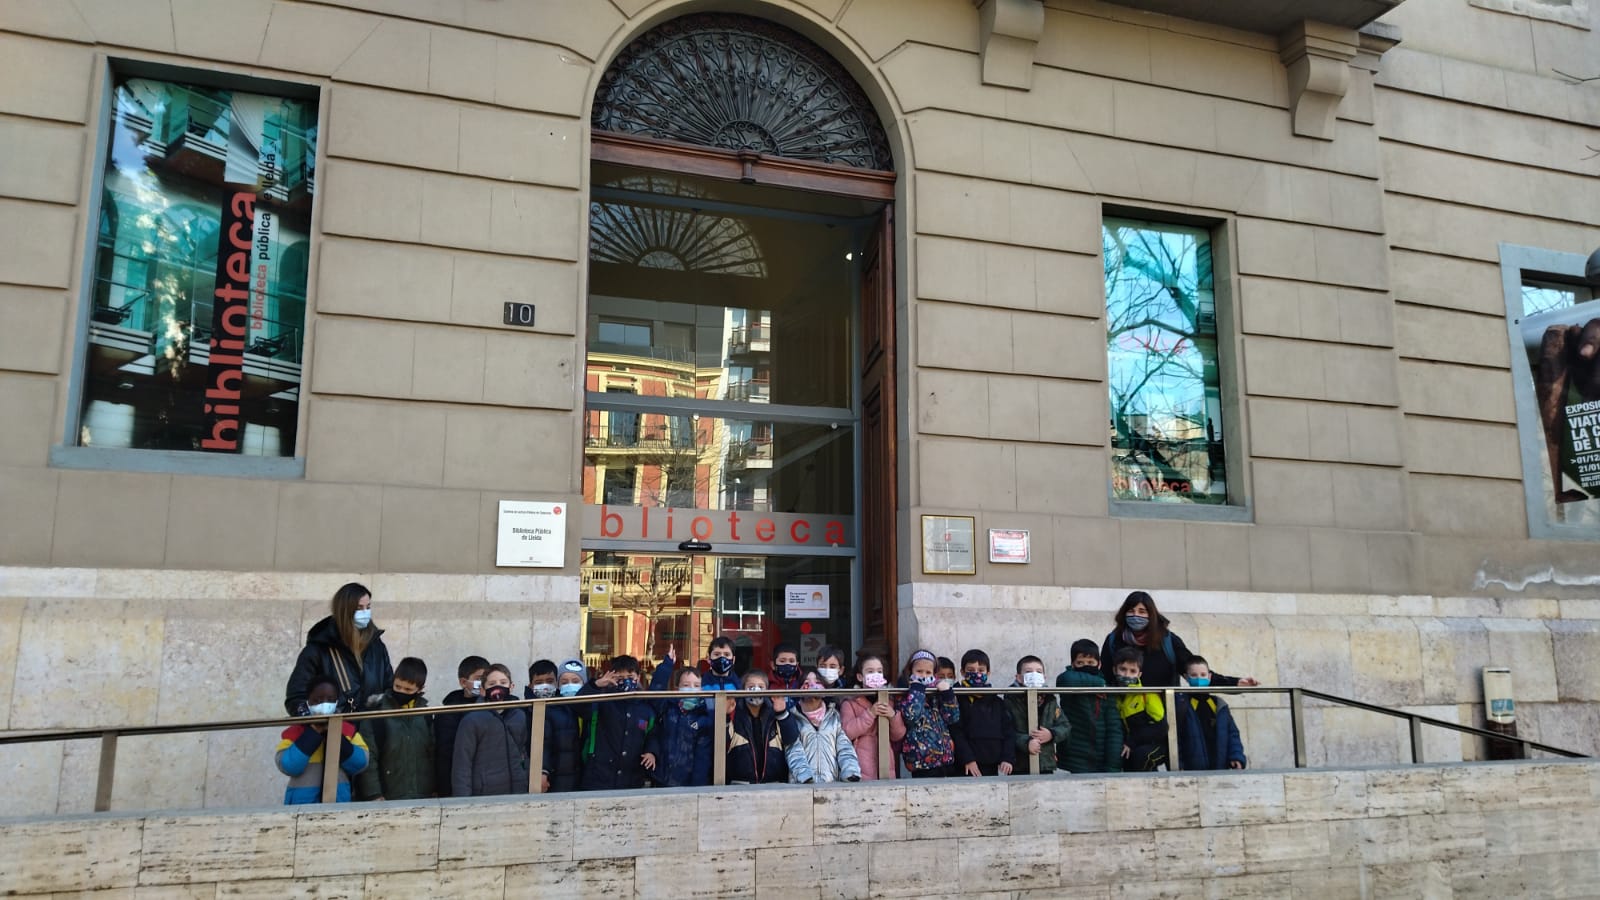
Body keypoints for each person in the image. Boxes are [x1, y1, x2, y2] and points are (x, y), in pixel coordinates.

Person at [1099, 591, 1258, 690]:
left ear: (1151, 615)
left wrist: (1235, 683)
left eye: (1142, 611)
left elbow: (1194, 669)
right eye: (1131, 610)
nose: (1136, 615)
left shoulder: (1167, 640)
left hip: (1163, 716)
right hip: (1122, 715)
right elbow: (1104, 677)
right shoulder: (1114, 640)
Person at [284, 582, 393, 716]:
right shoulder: (318, 649)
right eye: (359, 608)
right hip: (335, 727)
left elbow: (389, 687)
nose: (365, 613)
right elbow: (296, 697)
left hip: (372, 726)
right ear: (344, 611)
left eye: (368, 607)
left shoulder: (376, 646)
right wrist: (315, 721)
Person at [276, 677, 369, 804]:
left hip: (338, 803)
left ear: (336, 701)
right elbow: (288, 766)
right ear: (308, 702)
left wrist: (334, 734)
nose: (324, 704)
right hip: (301, 806)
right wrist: (313, 733)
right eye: (318, 700)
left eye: (330, 699)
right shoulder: (295, 731)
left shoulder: (347, 730)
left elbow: (360, 763)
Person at [354, 656, 434, 801]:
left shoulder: (426, 715)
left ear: (420, 689)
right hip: (387, 797)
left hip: (423, 795)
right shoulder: (376, 714)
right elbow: (369, 757)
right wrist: (374, 794)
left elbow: (433, 754)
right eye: (397, 686)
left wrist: (436, 788)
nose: (401, 691)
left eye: (408, 689)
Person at [578, 655, 656, 791]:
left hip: (631, 780)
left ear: (638, 677)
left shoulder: (645, 709)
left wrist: (652, 752)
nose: (626, 681)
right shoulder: (602, 702)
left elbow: (653, 735)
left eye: (630, 677)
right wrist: (596, 685)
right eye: (620, 678)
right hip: (598, 779)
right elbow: (579, 707)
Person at [452, 664, 529, 796]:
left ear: (511, 687)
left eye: (503, 683)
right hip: (484, 796)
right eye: (492, 684)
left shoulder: (519, 716)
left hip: (517, 791)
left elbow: (523, 753)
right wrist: (462, 801)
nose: (498, 687)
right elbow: (462, 765)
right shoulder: (472, 720)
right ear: (482, 690)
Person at [1056, 639, 1123, 774]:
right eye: (1080, 663)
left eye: (1091, 663)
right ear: (1073, 664)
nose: (1086, 666)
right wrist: (1099, 684)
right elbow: (1068, 680)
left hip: (1101, 758)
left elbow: (1114, 730)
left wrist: (1113, 766)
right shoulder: (1067, 679)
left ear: (1099, 664)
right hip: (1074, 757)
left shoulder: (1108, 692)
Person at [644, 664, 714, 787]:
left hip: (688, 784)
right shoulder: (668, 707)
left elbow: (702, 759)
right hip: (661, 778)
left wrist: (698, 788)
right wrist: (666, 666)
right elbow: (655, 694)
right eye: (686, 685)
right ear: (677, 688)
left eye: (696, 686)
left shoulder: (703, 717)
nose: (691, 689)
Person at [787, 669, 862, 783]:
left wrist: (851, 772)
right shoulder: (793, 718)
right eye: (806, 683)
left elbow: (845, 748)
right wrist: (805, 776)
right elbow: (793, 752)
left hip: (831, 784)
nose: (812, 686)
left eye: (817, 682)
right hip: (802, 785)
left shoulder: (834, 717)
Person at [839, 654, 905, 780]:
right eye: (870, 671)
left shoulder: (889, 701)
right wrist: (870, 714)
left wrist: (892, 716)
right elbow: (847, 732)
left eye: (879, 671)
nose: (876, 675)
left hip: (886, 766)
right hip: (861, 766)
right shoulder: (850, 703)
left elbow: (898, 735)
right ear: (860, 677)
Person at [1176, 656, 1247, 771]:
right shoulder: (1182, 704)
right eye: (1194, 675)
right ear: (1186, 677)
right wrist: (1178, 765)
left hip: (1220, 768)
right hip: (1191, 771)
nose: (1199, 678)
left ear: (1209, 677)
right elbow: (1176, 738)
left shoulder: (1219, 705)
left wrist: (1236, 757)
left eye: (1203, 675)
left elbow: (1232, 734)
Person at [896, 649, 959, 778]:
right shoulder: (905, 692)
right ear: (910, 671)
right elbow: (911, 716)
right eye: (919, 671)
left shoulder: (936, 691)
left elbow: (952, 718)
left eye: (928, 672)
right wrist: (917, 691)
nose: (924, 675)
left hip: (944, 757)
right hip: (922, 760)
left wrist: (947, 695)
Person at [952, 649, 1015, 777]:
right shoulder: (957, 699)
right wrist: (968, 759)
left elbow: (1008, 731)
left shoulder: (997, 702)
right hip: (966, 766)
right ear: (962, 672)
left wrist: (1007, 758)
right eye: (971, 670)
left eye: (981, 670)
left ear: (988, 672)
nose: (976, 674)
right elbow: (956, 732)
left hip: (992, 764)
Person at [434, 655, 489, 796]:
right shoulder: (449, 711)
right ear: (464, 682)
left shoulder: (495, 706)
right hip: (458, 783)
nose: (483, 683)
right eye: (479, 679)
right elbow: (444, 754)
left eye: (486, 678)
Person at [1006, 655, 1070, 775]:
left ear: (1044, 678)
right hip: (1019, 764)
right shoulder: (1010, 700)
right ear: (1018, 677)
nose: (1034, 675)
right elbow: (1006, 731)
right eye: (1028, 672)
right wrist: (1026, 742)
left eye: (1039, 672)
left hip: (1045, 763)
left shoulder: (1050, 700)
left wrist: (1051, 734)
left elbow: (1065, 726)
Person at [727, 669, 792, 784]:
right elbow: (721, 743)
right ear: (743, 690)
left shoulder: (775, 716)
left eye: (761, 687)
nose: (756, 690)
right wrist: (726, 716)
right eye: (751, 686)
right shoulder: (736, 716)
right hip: (740, 786)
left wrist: (782, 714)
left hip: (773, 785)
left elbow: (791, 739)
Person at [1112, 648, 1168, 772]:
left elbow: (1161, 728)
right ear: (1114, 670)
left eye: (1132, 671)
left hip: (1156, 745)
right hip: (1130, 746)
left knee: (1141, 756)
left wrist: (1131, 742)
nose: (1127, 675)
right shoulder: (1112, 697)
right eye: (1123, 669)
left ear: (1139, 674)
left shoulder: (1147, 695)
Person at [541, 658, 589, 793]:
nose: (569, 685)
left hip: (587, 779)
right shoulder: (552, 710)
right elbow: (545, 745)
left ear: (584, 683)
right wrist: (543, 771)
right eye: (564, 682)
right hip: (560, 780)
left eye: (575, 681)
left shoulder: (591, 708)